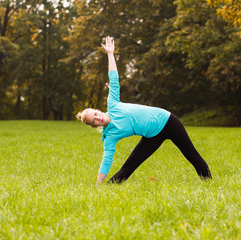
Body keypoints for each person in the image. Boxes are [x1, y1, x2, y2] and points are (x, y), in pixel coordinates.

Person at [76, 36, 212, 184]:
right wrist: (98, 183)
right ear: (95, 126)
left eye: (96, 114)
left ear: (98, 110)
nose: (97, 118)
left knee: (191, 154)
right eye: (94, 121)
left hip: (167, 121)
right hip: (152, 136)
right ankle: (103, 189)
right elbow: (107, 159)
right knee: (128, 167)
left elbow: (113, 78)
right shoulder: (110, 136)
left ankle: (210, 184)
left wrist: (110, 53)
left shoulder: (113, 104)